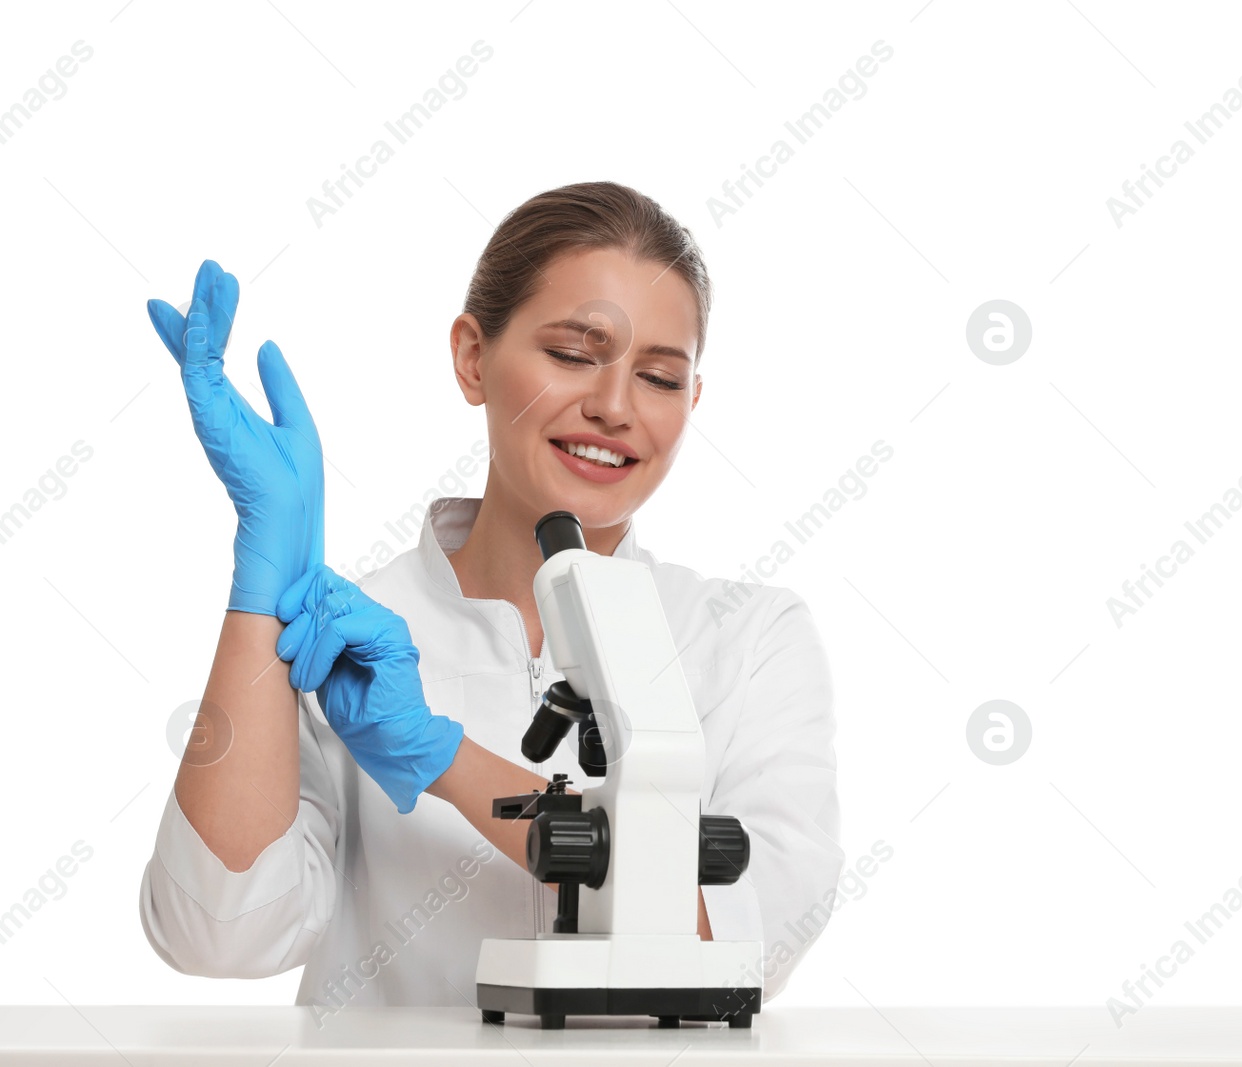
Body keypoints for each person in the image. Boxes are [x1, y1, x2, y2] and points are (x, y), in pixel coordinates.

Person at [136, 181, 844, 1014]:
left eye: (657, 376)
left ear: (691, 402)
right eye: (574, 355)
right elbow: (216, 935)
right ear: (474, 357)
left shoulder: (749, 640)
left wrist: (444, 759)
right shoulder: (345, 640)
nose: (614, 406)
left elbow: (744, 948)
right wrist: (262, 591)